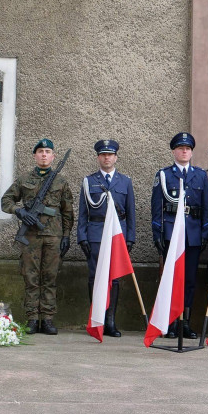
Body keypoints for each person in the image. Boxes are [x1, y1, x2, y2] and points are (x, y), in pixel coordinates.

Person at [1, 138, 75, 335]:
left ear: (53, 156)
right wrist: (20, 212)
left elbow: (67, 212)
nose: (44, 154)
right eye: (40, 151)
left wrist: (66, 235)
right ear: (35, 155)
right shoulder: (24, 179)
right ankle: (33, 318)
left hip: (54, 237)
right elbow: (6, 200)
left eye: (47, 151)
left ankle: (48, 319)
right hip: (31, 238)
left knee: (50, 277)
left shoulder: (61, 182)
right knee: (31, 277)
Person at [151, 132, 208, 338]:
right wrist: (157, 232)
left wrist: (204, 232)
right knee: (170, 278)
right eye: (180, 148)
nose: (184, 151)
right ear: (173, 151)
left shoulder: (200, 175)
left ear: (191, 152)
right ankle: (169, 323)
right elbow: (156, 207)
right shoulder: (163, 175)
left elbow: (206, 207)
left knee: (189, 280)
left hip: (192, 233)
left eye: (187, 149)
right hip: (170, 232)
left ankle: (184, 323)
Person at [77, 139, 136, 338]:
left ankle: (110, 321)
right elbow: (83, 212)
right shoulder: (89, 181)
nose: (107, 157)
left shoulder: (125, 181)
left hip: (117, 235)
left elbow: (130, 212)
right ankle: (96, 319)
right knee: (95, 277)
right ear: (98, 157)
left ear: (116, 157)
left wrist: (131, 237)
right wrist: (82, 237)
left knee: (115, 278)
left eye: (110, 154)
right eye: (103, 154)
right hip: (95, 233)